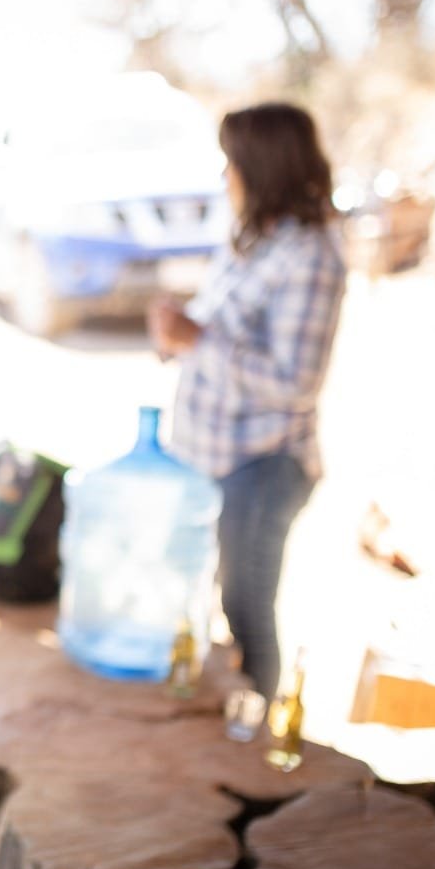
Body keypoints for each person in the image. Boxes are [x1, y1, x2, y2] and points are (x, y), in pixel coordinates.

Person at [149, 102, 345, 700]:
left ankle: (255, 729)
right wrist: (175, 334)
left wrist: (196, 339)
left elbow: (295, 383)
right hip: (216, 458)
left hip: (263, 464)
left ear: (262, 168)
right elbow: (214, 331)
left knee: (245, 608)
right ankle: (230, 717)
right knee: (207, 595)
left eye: (231, 162)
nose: (224, 175)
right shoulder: (255, 238)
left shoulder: (311, 254)